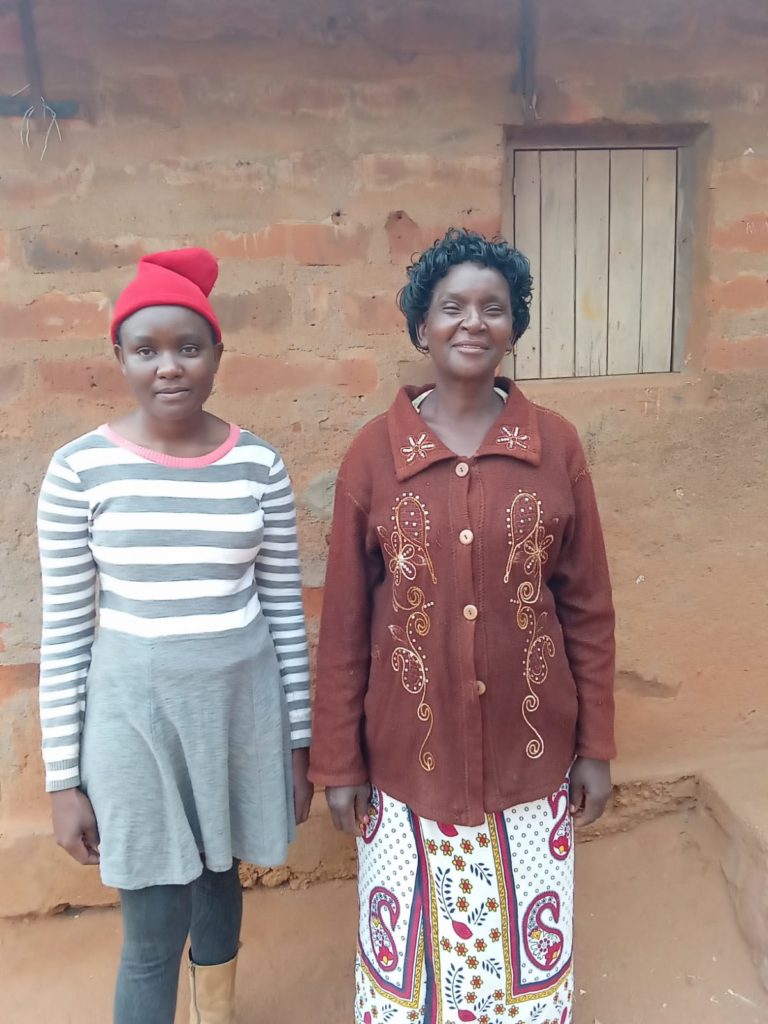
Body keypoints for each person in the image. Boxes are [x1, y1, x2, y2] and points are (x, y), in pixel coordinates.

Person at [309, 228, 615, 1024]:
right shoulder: (373, 456)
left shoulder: (557, 449)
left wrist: (597, 749)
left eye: (493, 308)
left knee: (523, 967)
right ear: (421, 328)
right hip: (407, 765)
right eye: (451, 308)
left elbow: (587, 608)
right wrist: (339, 762)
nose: (472, 322)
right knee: (413, 965)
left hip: (534, 760)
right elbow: (343, 625)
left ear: (514, 328)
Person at [36, 248, 313, 1024]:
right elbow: (64, 634)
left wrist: (296, 744)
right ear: (117, 355)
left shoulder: (259, 465)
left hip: (238, 717)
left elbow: (285, 614)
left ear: (218, 354)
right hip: (134, 724)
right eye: (147, 349)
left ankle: (213, 1014)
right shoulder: (78, 472)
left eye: (189, 347)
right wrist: (63, 780)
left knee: (222, 884)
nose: (169, 367)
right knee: (153, 925)